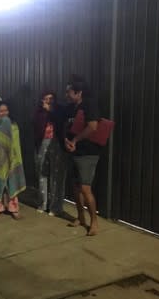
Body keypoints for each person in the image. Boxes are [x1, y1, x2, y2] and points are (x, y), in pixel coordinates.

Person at [65, 77, 101, 236]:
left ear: (78, 93)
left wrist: (75, 140)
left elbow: (93, 127)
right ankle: (80, 217)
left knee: (86, 189)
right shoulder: (72, 107)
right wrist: (67, 141)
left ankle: (94, 222)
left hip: (88, 153)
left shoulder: (89, 104)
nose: (66, 94)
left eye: (68, 91)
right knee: (75, 188)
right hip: (74, 152)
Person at [0, 101, 26, 220]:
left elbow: (16, 145)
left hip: (12, 159)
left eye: (6, 111)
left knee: (11, 183)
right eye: (1, 111)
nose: (4, 113)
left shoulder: (13, 126)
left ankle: (13, 208)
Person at [33, 91, 68, 216]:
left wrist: (50, 111)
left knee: (56, 175)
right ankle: (42, 204)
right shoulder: (39, 111)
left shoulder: (60, 110)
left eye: (51, 98)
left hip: (57, 143)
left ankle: (55, 207)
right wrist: (45, 111)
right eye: (46, 98)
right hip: (43, 142)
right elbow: (36, 127)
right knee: (42, 173)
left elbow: (61, 123)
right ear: (42, 100)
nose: (48, 101)